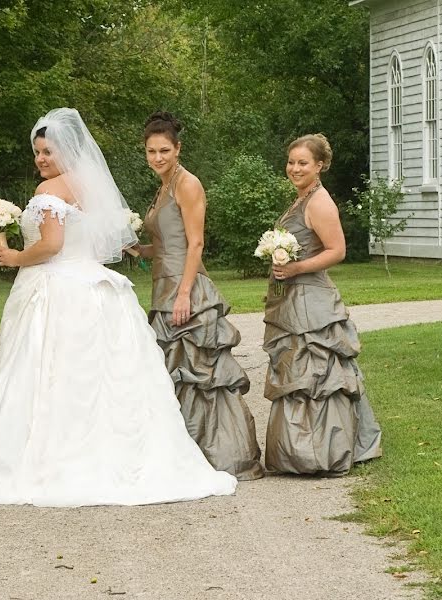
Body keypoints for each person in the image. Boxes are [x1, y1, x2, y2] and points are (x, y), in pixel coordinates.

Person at [0, 108, 237, 507]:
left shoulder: (48, 193)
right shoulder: (87, 187)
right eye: (37, 152)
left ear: (66, 150)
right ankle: (111, 453)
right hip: (96, 287)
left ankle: (56, 458)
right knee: (99, 378)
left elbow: (50, 246)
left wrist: (14, 258)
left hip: (60, 288)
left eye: (48, 151)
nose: (41, 159)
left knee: (52, 374)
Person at [132, 112, 263, 480]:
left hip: (185, 291)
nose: (157, 157)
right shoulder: (163, 185)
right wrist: (139, 249)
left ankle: (216, 455)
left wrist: (184, 294)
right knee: (171, 375)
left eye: (164, 150)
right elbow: (166, 244)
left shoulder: (187, 184)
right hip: (163, 290)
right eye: (151, 151)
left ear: (178, 149)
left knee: (200, 376)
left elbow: (196, 243)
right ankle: (179, 451)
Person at [263, 133, 382, 475]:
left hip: (311, 301)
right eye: (291, 162)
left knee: (317, 375)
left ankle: (321, 452)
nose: (295, 168)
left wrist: (295, 267)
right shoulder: (301, 199)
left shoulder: (319, 202)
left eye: (303, 163)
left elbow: (337, 251)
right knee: (298, 372)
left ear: (320, 166)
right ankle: (297, 450)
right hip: (294, 297)